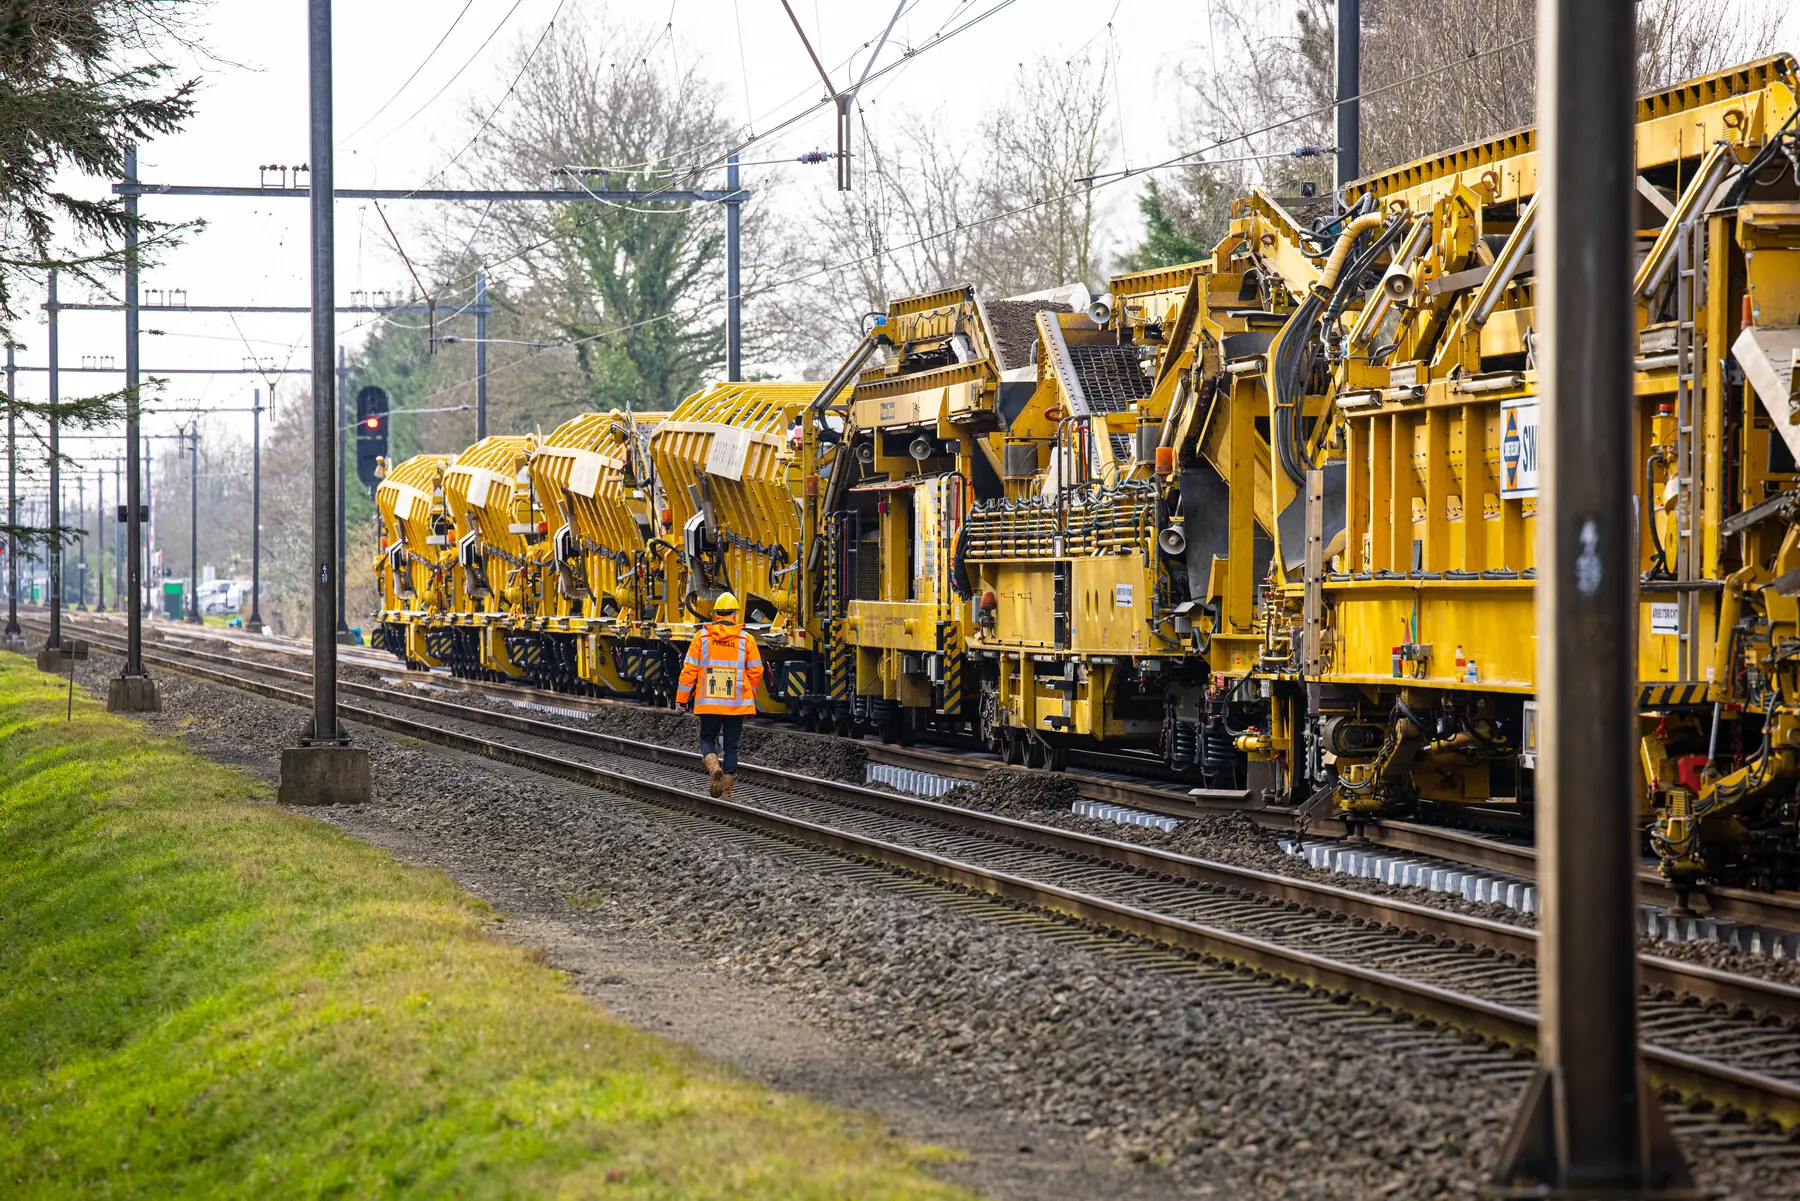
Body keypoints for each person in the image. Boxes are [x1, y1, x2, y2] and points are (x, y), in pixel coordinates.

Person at [675, 591, 763, 799]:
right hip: (736, 704)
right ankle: (727, 793)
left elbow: (689, 671)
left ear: (715, 615)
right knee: (732, 746)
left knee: (707, 738)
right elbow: (756, 672)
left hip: (708, 703)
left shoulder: (701, 638)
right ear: (734, 614)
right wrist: (749, 693)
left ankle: (714, 766)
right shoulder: (746, 640)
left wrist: (681, 699)